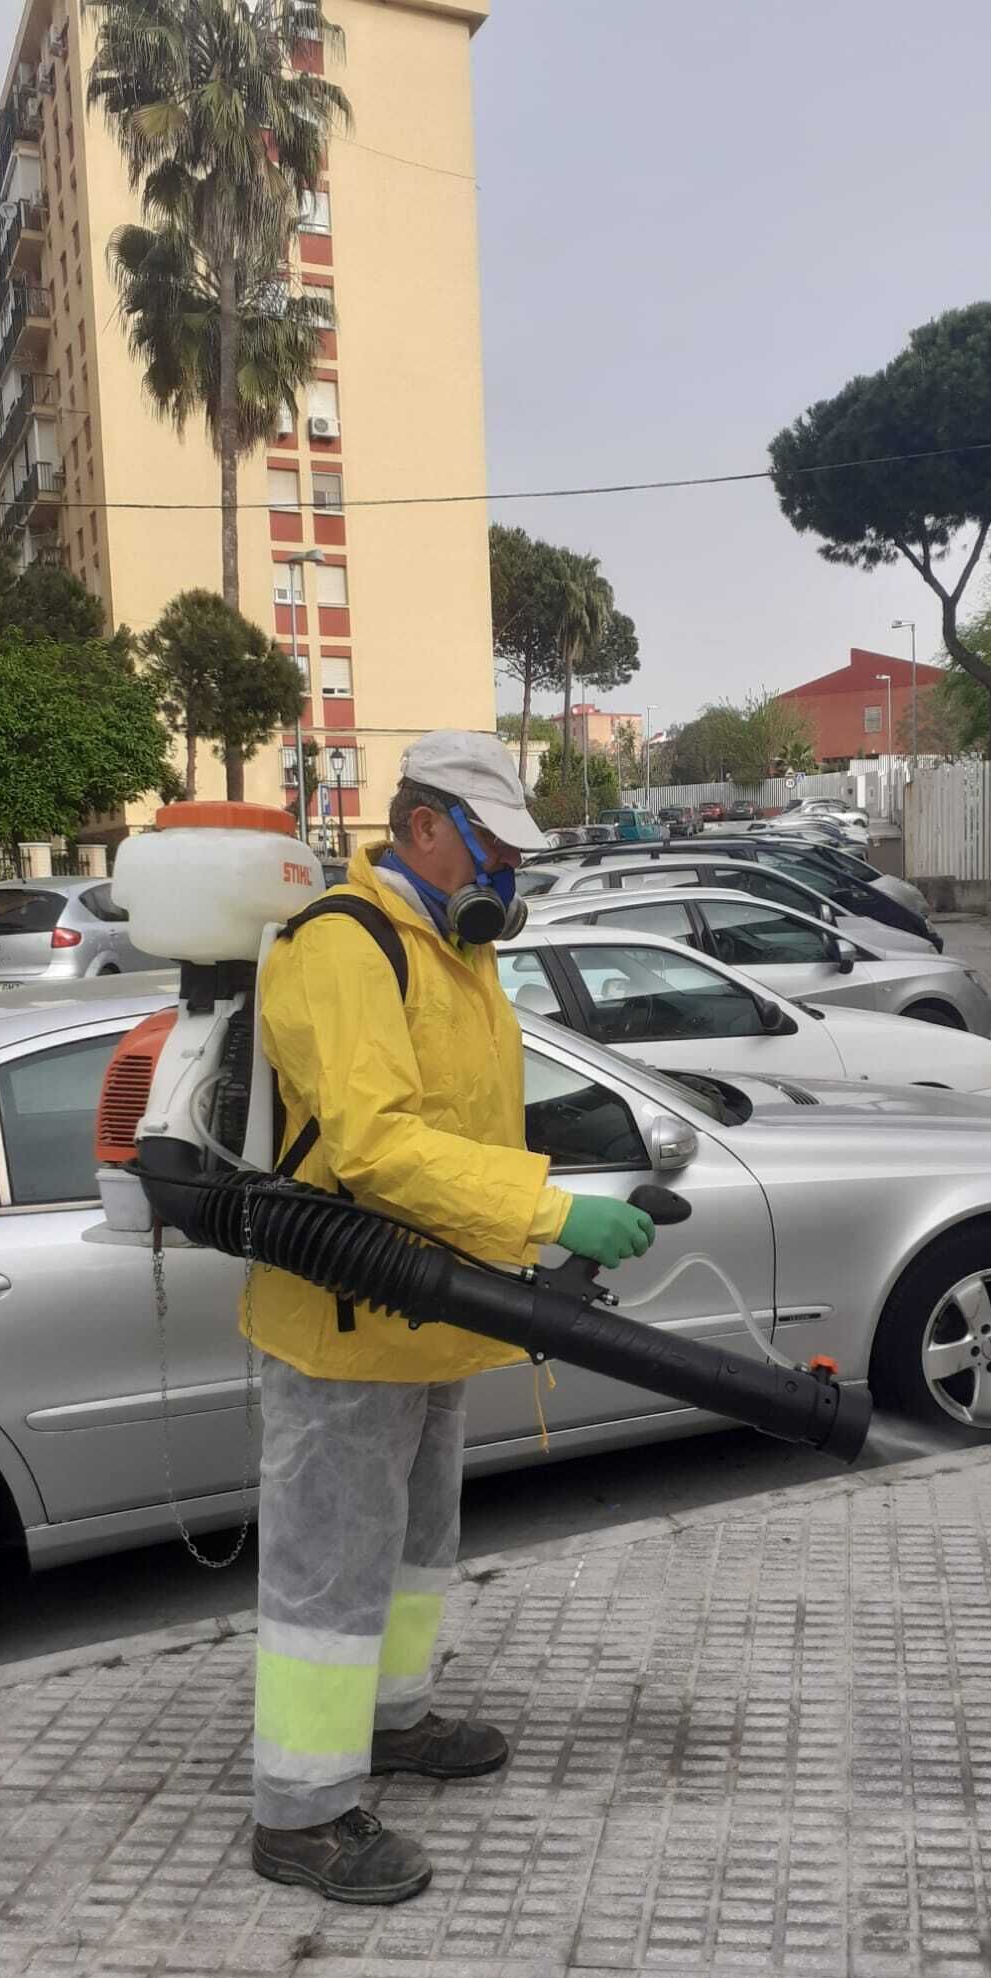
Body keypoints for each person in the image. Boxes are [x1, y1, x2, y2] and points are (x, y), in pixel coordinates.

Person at [247, 730, 655, 1907]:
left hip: (431, 1310)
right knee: (330, 1569)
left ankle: (393, 1718)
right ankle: (300, 1811)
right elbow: (375, 1146)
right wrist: (551, 1210)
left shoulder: (455, 949)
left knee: (416, 1548)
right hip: (343, 1319)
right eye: (496, 848)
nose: (511, 873)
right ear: (424, 825)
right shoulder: (347, 945)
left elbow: (465, 1126)